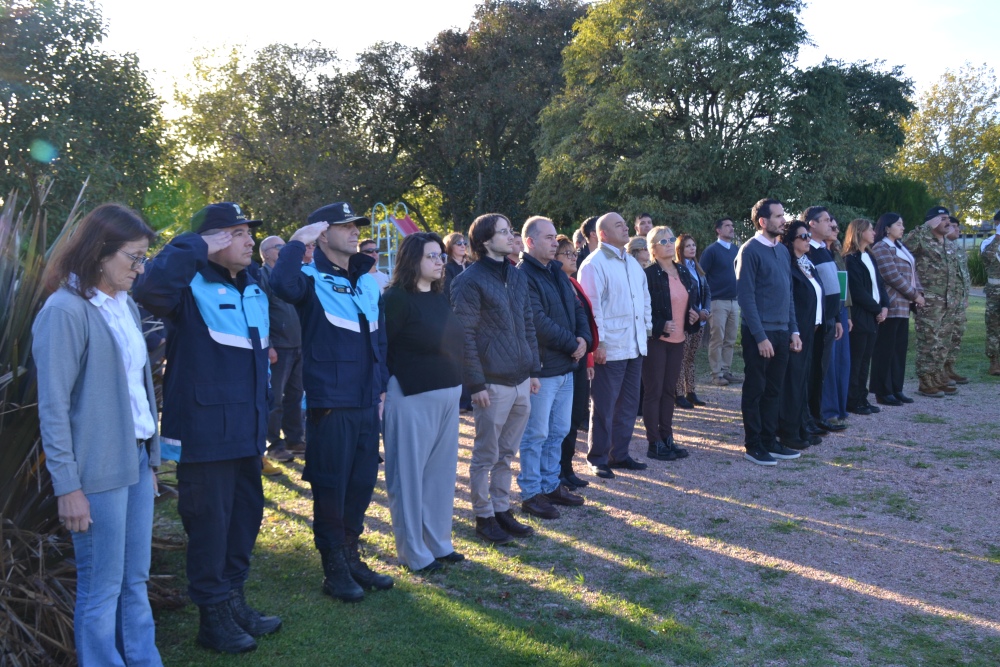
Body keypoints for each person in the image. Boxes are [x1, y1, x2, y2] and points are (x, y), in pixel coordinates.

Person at [134, 202, 280, 653]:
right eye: (238, 233)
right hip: (205, 434)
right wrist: (194, 245)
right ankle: (212, 617)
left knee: (243, 520)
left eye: (249, 234)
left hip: (247, 430)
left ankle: (234, 600)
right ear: (215, 240)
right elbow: (150, 288)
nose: (250, 241)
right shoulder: (186, 284)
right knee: (210, 526)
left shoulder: (253, 283)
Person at [34, 204, 163, 666]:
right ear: (100, 252)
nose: (140, 268)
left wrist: (149, 463)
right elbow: (53, 407)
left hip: (133, 464)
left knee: (134, 581)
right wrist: (68, 486)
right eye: (134, 257)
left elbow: (138, 392)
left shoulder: (122, 304)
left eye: (144, 258)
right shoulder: (64, 311)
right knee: (101, 586)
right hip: (95, 473)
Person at [269, 201, 394, 603]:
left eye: (356, 225)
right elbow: (281, 286)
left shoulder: (367, 280)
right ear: (322, 235)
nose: (355, 231)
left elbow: (379, 338)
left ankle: (352, 554)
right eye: (345, 226)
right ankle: (333, 567)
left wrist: (381, 389)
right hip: (330, 400)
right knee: (330, 484)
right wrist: (294, 243)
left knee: (360, 482)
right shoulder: (307, 277)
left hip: (364, 400)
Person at [450, 213, 540, 545]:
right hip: (491, 383)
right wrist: (475, 384)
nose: (511, 236)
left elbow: (527, 322)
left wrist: (533, 370)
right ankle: (483, 516)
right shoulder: (468, 280)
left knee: (507, 453)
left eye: (511, 231)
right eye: (504, 232)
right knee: (486, 454)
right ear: (486, 240)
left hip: (520, 379)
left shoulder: (516, 276)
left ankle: (501, 508)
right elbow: (465, 335)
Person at [382, 233, 465, 572]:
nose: (439, 262)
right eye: (432, 256)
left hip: (447, 392)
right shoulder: (396, 299)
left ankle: (438, 544)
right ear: (412, 259)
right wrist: (382, 391)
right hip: (410, 395)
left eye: (440, 257)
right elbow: (380, 349)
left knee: (441, 476)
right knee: (408, 477)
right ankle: (414, 553)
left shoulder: (440, 296)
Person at [516, 217, 591, 520]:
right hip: (544, 367)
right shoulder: (523, 275)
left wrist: (584, 338)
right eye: (548, 238)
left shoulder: (556, 273)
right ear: (530, 242)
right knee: (536, 434)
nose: (554, 242)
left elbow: (576, 309)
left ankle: (551, 484)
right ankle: (532, 492)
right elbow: (535, 320)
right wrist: (572, 343)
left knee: (558, 430)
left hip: (566, 366)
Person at [578, 212, 652, 479]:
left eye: (625, 224)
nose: (625, 228)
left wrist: (647, 328)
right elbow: (592, 308)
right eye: (618, 225)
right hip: (610, 348)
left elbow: (645, 299)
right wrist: (599, 344)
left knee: (629, 405)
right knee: (604, 405)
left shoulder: (631, 263)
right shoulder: (593, 264)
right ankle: (597, 457)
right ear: (603, 234)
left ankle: (619, 454)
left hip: (634, 345)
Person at [735, 198, 802, 466]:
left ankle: (769, 440)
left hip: (782, 332)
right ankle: (753, 445)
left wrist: (794, 330)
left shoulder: (783, 251)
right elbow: (746, 298)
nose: (783, 220)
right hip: (759, 335)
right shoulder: (749, 251)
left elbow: (789, 295)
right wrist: (760, 336)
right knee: (756, 390)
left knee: (774, 390)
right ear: (763, 221)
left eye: (783, 215)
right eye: (778, 216)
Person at [641, 226, 695, 461]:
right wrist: (660, 323)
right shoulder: (649, 274)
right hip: (657, 341)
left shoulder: (682, 271)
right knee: (654, 391)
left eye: (671, 239)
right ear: (652, 248)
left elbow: (687, 301)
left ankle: (667, 438)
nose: (668, 243)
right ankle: (654, 443)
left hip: (678, 340)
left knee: (669, 391)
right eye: (662, 241)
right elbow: (642, 308)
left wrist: (692, 315)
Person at [555, 235, 598, 488]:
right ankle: (559, 470)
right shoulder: (557, 282)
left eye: (574, 253)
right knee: (562, 420)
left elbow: (585, 318)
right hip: (565, 356)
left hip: (581, 356)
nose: (574, 257)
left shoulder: (573, 283)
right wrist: (576, 345)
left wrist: (588, 354)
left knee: (574, 416)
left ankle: (568, 468)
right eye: (568, 254)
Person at [776, 220, 823, 450]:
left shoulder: (808, 263)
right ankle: (788, 431)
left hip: (810, 328)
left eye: (808, 236)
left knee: (803, 380)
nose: (807, 240)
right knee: (792, 381)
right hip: (795, 330)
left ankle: (803, 425)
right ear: (791, 240)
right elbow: (791, 299)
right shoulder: (789, 265)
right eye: (803, 236)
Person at [869, 213, 924, 405]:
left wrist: (919, 293)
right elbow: (892, 276)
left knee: (899, 349)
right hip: (890, 305)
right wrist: (914, 295)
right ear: (886, 228)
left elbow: (912, 273)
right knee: (885, 349)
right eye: (898, 224)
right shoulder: (881, 247)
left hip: (904, 306)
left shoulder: (901, 247)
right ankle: (882, 391)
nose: (903, 227)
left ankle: (896, 388)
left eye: (903, 224)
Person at [258, 235, 304, 465]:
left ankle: (295, 439)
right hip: (279, 347)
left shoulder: (291, 275)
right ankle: (273, 445)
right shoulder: (262, 276)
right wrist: (270, 346)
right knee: (274, 399)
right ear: (265, 253)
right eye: (279, 247)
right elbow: (261, 312)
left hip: (298, 344)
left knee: (295, 396)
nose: (283, 250)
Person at [904, 206, 959, 396]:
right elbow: (904, 246)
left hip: (948, 301)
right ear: (932, 221)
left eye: (948, 219)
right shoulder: (922, 238)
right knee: (928, 340)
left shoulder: (947, 243)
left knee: (943, 341)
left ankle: (937, 376)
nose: (948, 222)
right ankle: (925, 381)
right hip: (929, 300)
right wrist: (925, 227)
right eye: (943, 218)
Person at [803, 207, 846, 435]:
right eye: (826, 220)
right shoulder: (807, 250)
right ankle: (807, 417)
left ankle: (817, 416)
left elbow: (833, 288)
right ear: (812, 224)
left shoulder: (824, 250)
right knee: (811, 370)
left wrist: (837, 317)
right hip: (815, 321)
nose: (831, 224)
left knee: (821, 370)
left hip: (829, 318)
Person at [843, 218, 890, 415]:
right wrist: (876, 309)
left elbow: (880, 284)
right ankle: (853, 400)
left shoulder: (869, 256)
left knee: (865, 360)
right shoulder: (850, 259)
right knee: (857, 359)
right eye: (870, 230)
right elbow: (858, 290)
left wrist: (885, 305)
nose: (874, 233)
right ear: (860, 232)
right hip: (862, 314)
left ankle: (862, 398)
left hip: (874, 315)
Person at [700, 217, 742, 386]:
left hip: (734, 301)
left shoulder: (736, 250)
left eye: (732, 225)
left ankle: (726, 371)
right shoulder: (711, 251)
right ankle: (716, 374)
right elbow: (702, 276)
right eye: (727, 226)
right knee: (717, 338)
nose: (731, 228)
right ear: (718, 230)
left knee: (730, 339)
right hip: (717, 301)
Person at [820, 220, 853, 427]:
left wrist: (847, 314)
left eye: (835, 226)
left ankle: (840, 408)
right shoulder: (816, 252)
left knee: (842, 362)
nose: (835, 229)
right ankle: (827, 411)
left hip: (840, 311)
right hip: (826, 312)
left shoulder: (836, 252)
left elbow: (843, 286)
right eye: (830, 225)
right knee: (828, 364)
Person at [674, 234, 710, 409]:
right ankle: (679, 393)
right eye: (688, 246)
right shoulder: (678, 269)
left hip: (700, 321)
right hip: (686, 321)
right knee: (681, 358)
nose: (692, 248)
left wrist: (706, 311)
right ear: (680, 249)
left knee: (690, 358)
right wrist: (697, 311)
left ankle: (691, 391)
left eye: (693, 245)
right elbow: (684, 296)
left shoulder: (698, 269)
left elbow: (707, 291)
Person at [943, 217, 970, 384]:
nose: (957, 230)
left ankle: (949, 367)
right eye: (953, 226)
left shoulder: (958, 249)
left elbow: (965, 276)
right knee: (943, 335)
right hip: (946, 300)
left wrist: (965, 297)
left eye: (958, 227)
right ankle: (939, 370)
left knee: (956, 334)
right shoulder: (940, 247)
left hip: (959, 301)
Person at [982, 211, 1000, 375]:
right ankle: (994, 362)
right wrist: (998, 237)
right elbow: (987, 258)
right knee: (994, 327)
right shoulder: (989, 242)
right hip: (995, 292)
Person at [442, 231, 469, 298]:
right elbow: (448, 292)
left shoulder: (472, 265)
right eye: (459, 243)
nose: (463, 246)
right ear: (450, 246)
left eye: (464, 243)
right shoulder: (446, 268)